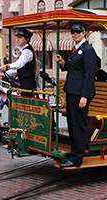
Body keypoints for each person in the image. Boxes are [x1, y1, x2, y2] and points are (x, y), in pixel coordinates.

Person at [55, 21, 97, 168]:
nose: (75, 34)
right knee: (72, 125)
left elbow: (89, 74)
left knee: (78, 126)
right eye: (73, 32)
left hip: (80, 94)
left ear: (84, 33)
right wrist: (62, 63)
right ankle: (74, 154)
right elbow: (73, 68)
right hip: (72, 92)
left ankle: (77, 158)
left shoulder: (88, 50)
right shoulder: (76, 49)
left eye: (78, 32)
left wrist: (85, 96)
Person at [0, 28, 37, 97]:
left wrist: (7, 66)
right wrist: (3, 74)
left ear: (27, 39)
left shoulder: (27, 52)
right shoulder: (23, 51)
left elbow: (19, 64)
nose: (18, 39)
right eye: (17, 37)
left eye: (20, 37)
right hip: (23, 84)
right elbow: (17, 69)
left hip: (27, 85)